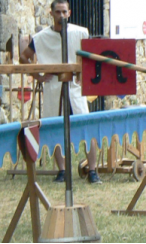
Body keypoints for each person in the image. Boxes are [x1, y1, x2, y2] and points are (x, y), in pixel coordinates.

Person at [19, 0, 101, 184]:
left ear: (69, 13)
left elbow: (90, 57)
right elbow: (24, 57)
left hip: (74, 85)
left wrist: (84, 74)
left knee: (85, 126)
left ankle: (93, 171)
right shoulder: (41, 38)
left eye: (64, 12)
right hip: (54, 85)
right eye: (58, 12)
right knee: (55, 127)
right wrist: (38, 76)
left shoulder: (80, 32)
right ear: (51, 13)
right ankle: (63, 170)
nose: (61, 16)